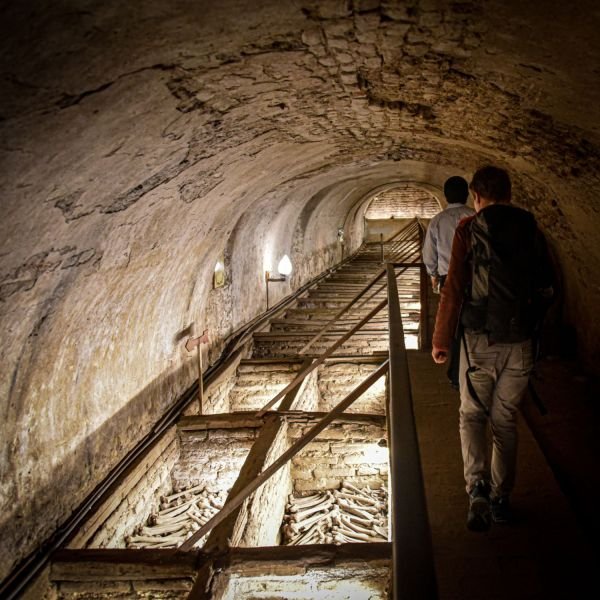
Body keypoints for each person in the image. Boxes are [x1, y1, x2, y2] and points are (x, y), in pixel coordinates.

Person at [431, 166, 553, 532]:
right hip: (520, 345)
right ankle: (502, 499)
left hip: (479, 339)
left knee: (471, 415)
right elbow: (548, 286)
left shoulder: (468, 229)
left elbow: (453, 288)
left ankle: (477, 489)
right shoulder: (530, 226)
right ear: (510, 193)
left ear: (476, 195)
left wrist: (440, 341)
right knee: (505, 422)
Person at [423, 176, 475, 293]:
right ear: (467, 195)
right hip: (474, 277)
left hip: (448, 277)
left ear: (446, 196)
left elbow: (429, 255)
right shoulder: (476, 217)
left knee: (450, 310)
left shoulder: (437, 220)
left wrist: (433, 275)